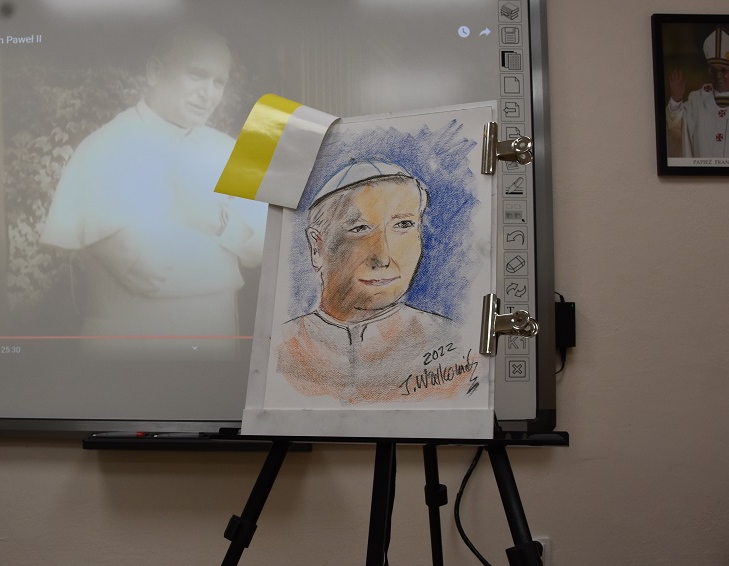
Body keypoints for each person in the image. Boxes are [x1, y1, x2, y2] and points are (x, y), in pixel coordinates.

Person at [39, 24, 266, 359]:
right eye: (196, 75)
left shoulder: (231, 151)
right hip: (133, 342)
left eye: (219, 81)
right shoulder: (103, 148)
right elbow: (146, 273)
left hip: (216, 335)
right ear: (155, 71)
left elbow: (260, 249)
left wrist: (219, 221)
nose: (208, 94)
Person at [275, 160, 479, 404]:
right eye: (360, 228)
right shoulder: (280, 346)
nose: (383, 258)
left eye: (403, 225)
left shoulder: (452, 342)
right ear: (317, 247)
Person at [666, 27, 729, 158]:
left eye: (724, 70)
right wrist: (676, 100)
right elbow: (677, 132)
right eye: (713, 70)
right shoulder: (697, 100)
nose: (718, 75)